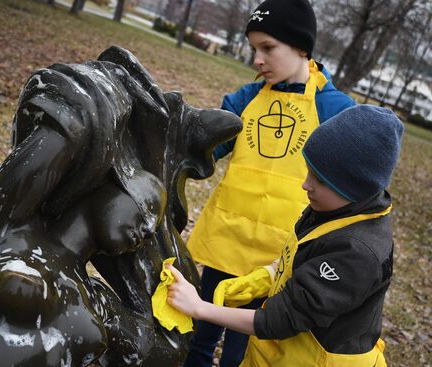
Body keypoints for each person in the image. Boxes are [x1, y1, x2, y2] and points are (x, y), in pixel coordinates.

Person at [185, 0, 355, 365]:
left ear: (301, 47)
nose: (257, 60)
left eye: (268, 48)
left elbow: (350, 184)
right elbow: (201, 150)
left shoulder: (336, 111)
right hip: (225, 245)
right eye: (253, 50)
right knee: (197, 341)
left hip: (277, 266)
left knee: (243, 355)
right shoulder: (245, 99)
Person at [168, 104, 404, 367]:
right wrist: (266, 276)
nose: (306, 184)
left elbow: (279, 321)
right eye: (309, 171)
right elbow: (302, 256)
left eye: (320, 180)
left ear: (355, 188)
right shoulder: (334, 208)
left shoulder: (357, 252)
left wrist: (200, 308)